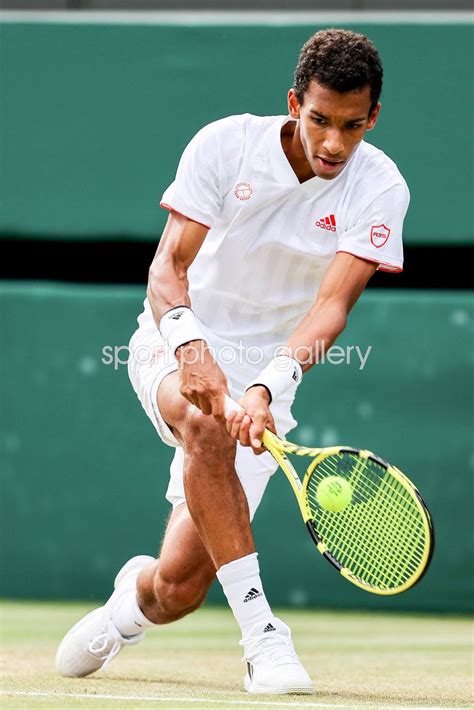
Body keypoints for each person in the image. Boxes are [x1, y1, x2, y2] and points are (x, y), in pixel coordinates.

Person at [56, 28, 408, 694]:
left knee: (179, 587)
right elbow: (168, 268)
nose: (334, 143)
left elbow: (331, 308)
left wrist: (270, 386)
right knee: (205, 426)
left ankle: (125, 608)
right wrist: (192, 351)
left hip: (270, 373)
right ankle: (263, 637)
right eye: (320, 121)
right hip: (175, 335)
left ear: (374, 117)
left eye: (353, 126)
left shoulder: (380, 186)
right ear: (294, 102)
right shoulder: (226, 146)